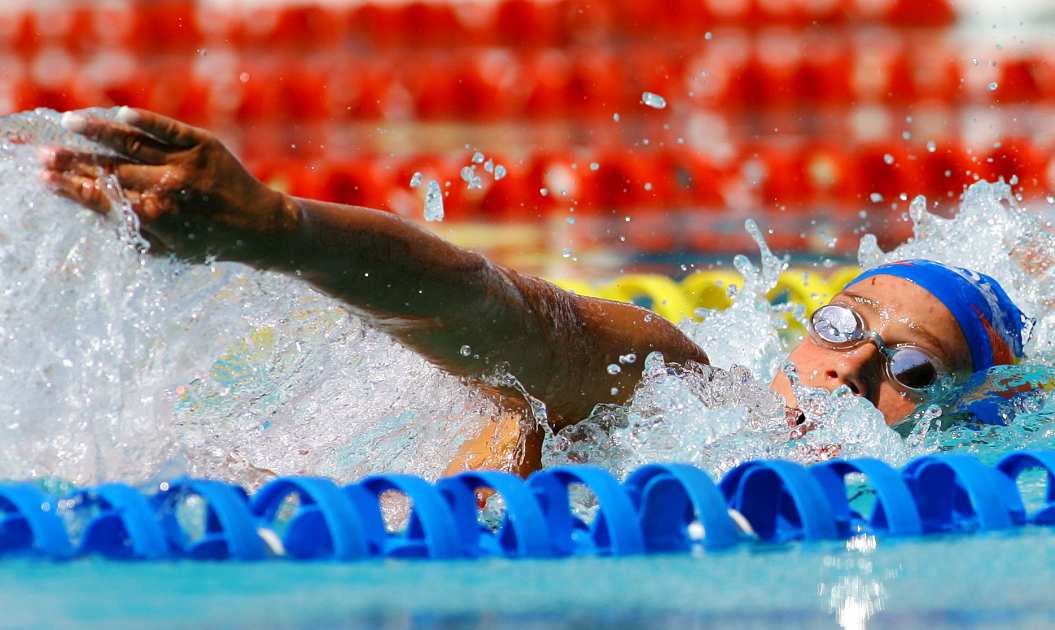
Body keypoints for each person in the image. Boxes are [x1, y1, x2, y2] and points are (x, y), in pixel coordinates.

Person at [39, 108, 1030, 477]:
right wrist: (278, 231)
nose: (851, 365)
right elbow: (503, 314)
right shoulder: (678, 391)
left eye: (910, 369)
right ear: (795, 337)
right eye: (842, 324)